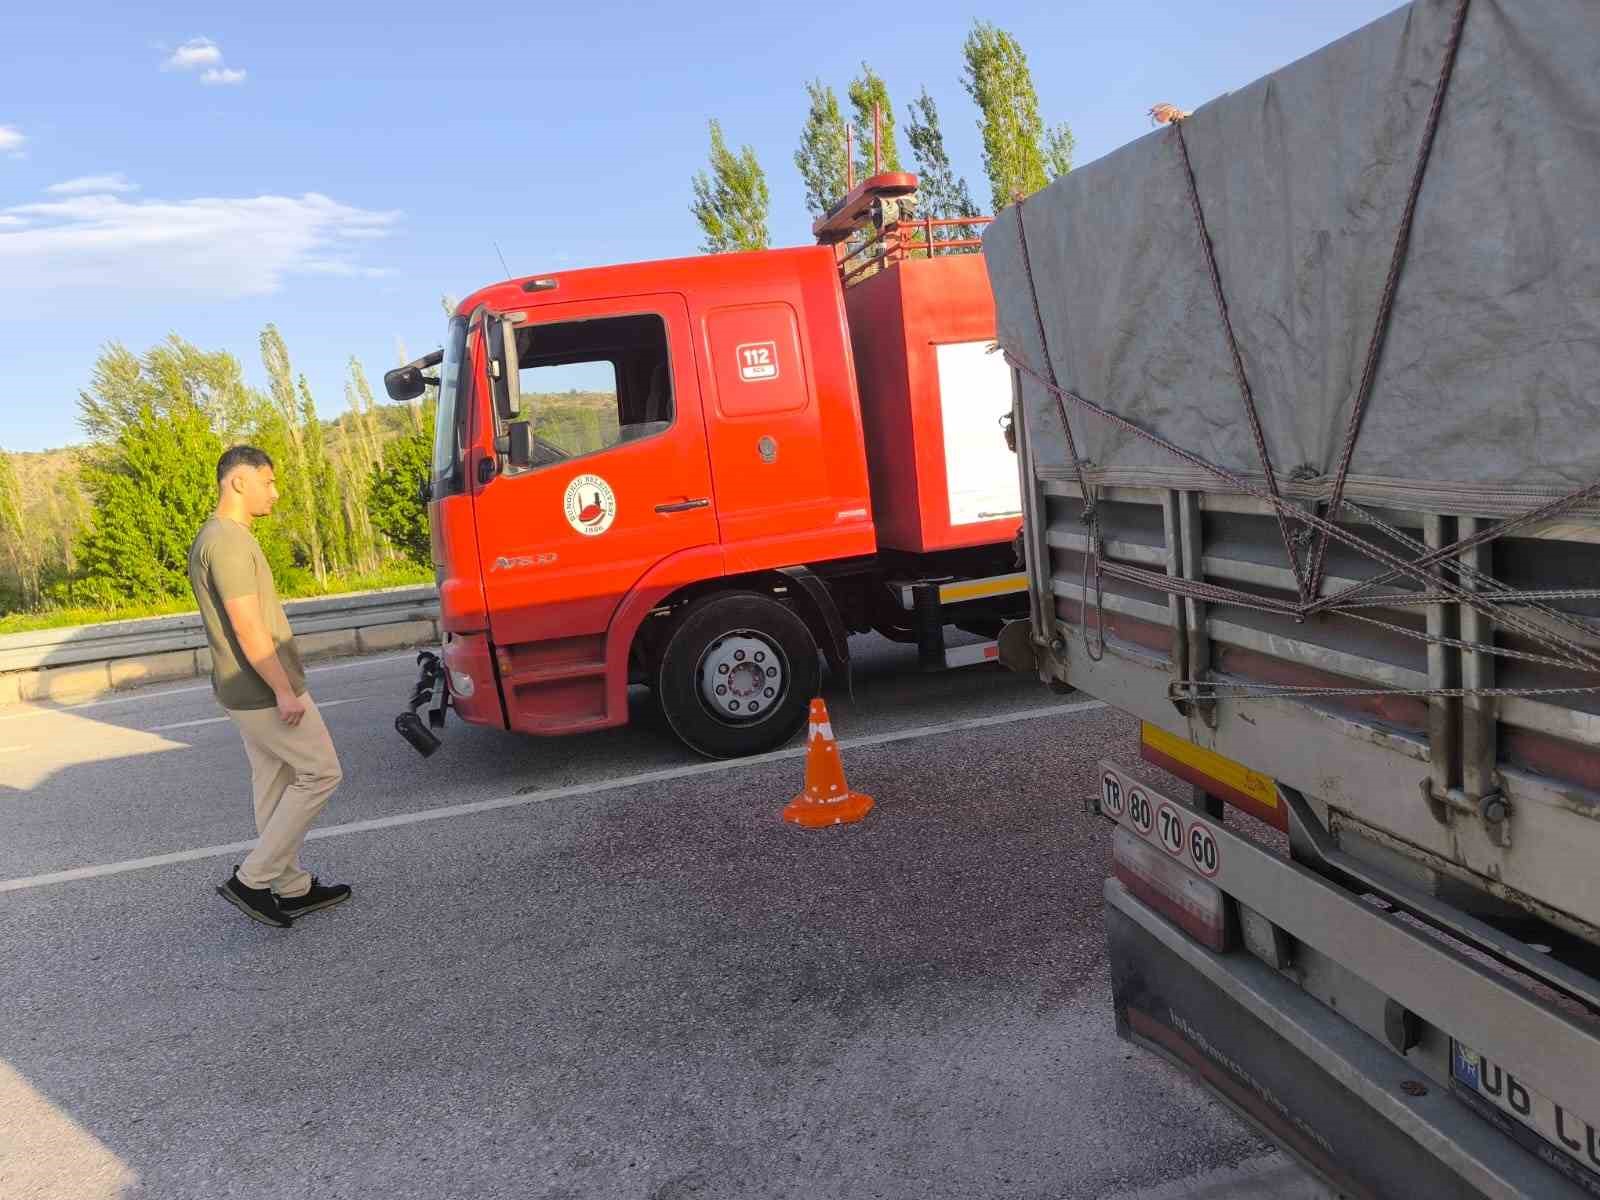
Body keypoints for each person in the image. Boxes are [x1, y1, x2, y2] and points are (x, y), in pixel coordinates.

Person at [188, 445, 351, 928]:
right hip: (262, 687)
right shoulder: (229, 541)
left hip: (243, 687)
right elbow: (248, 627)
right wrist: (284, 690)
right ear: (238, 482)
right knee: (322, 773)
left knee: (275, 782)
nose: (275, 494)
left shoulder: (219, 537)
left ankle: (291, 887)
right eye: (268, 482)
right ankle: (252, 879)